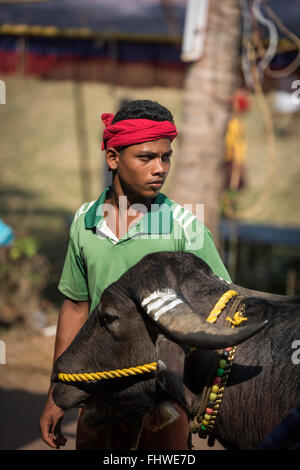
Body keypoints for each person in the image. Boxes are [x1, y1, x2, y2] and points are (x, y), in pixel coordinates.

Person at [39, 99, 231, 450]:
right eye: (146, 157)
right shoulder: (85, 223)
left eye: (166, 157)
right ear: (113, 158)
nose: (160, 168)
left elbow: (223, 311)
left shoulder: (183, 228)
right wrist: (57, 391)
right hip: (96, 394)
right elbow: (75, 308)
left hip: (163, 403)